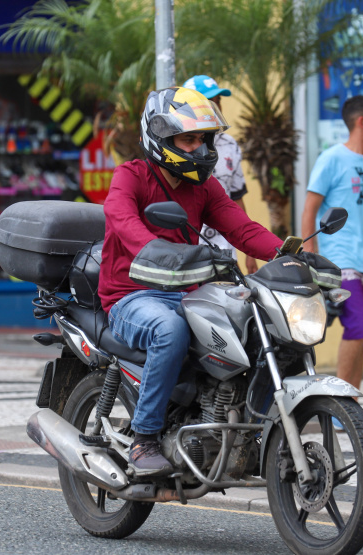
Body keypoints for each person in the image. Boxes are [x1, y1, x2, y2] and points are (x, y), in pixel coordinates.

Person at [100, 87, 283, 476]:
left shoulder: (204, 186)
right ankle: (144, 438)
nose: (199, 149)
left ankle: (246, 430)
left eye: (203, 139)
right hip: (131, 296)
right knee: (169, 330)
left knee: (258, 328)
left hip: (187, 292)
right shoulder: (130, 176)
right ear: (163, 139)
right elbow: (122, 220)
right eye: (189, 139)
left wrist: (290, 254)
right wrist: (155, 250)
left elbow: (244, 230)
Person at [300, 95, 363, 431]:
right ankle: (340, 408)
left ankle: (353, 407)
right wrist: (311, 258)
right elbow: (310, 210)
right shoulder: (331, 159)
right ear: (361, 121)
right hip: (341, 260)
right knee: (356, 326)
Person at [182, 75, 259, 275]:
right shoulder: (177, 147)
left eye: (218, 102)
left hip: (225, 250)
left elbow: (237, 198)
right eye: (209, 102)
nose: (216, 107)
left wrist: (249, 251)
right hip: (189, 251)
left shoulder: (230, 144)